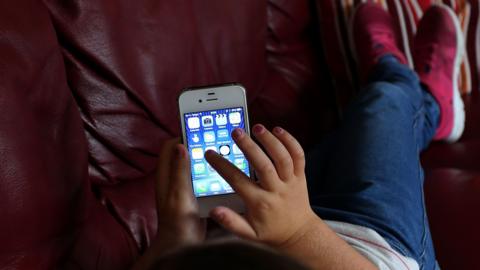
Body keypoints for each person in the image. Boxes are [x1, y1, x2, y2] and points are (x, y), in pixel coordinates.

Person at [133, 3, 464, 270]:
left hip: (271, 219)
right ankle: (414, 87)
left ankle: (401, 85)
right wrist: (299, 231)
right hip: (367, 245)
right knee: (384, 102)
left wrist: (174, 242)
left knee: (340, 134)